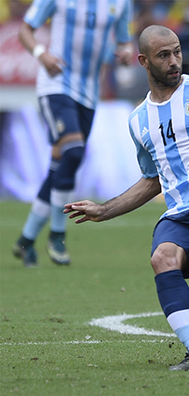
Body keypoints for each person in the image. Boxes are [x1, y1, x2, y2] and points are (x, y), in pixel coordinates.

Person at [64, 25, 189, 372]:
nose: (174, 61)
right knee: (162, 257)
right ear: (143, 61)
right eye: (164, 55)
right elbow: (151, 181)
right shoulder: (138, 120)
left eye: (177, 51)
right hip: (178, 211)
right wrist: (105, 209)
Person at [13, 0, 135, 268]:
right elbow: (25, 30)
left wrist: (125, 51)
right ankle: (57, 234)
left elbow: (124, 40)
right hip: (55, 84)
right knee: (73, 151)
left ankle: (26, 241)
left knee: (62, 165)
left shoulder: (120, 3)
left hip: (90, 95)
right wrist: (41, 54)